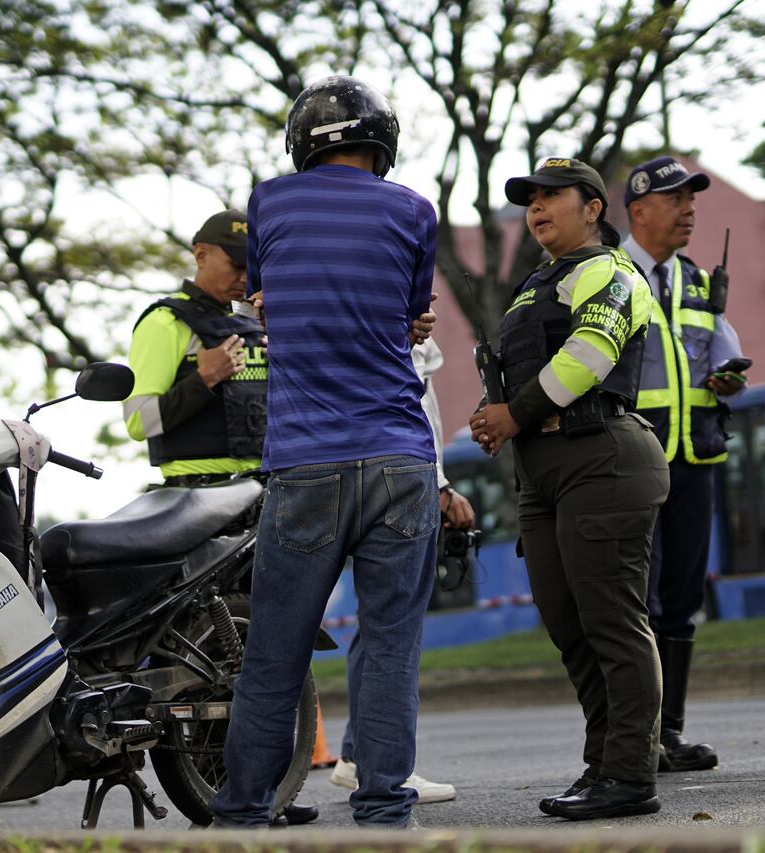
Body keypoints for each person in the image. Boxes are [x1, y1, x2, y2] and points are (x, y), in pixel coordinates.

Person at [210, 75, 440, 829]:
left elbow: (267, 300)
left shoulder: (270, 202)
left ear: (303, 143)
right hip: (401, 458)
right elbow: (411, 318)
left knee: (275, 651)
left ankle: (242, 812)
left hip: (307, 459)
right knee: (388, 646)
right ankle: (382, 807)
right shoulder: (415, 212)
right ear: (384, 144)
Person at [469, 157, 669, 820]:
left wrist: (512, 413)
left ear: (593, 207)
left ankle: (631, 773)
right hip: (543, 466)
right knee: (569, 624)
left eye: (554, 195)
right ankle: (602, 763)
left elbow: (590, 352)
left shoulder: (610, 270)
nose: (538, 206)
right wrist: (495, 412)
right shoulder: (533, 285)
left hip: (600, 454)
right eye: (530, 198)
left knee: (613, 621)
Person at [621, 156, 745, 772]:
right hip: (630, 459)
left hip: (693, 457)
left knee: (681, 598)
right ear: (639, 210)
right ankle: (634, 742)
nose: (690, 209)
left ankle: (668, 736)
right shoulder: (608, 274)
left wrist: (727, 380)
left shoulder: (697, 281)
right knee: (634, 603)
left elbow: (728, 359)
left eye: (692, 199)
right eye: (677, 199)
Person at [329, 338, 473, 804]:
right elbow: (414, 412)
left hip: (347, 475)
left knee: (376, 629)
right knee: (390, 632)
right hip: (395, 479)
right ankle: (380, 774)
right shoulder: (389, 317)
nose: (430, 296)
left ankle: (357, 757)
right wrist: (438, 484)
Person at [122, 209, 267, 487]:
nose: (245, 276)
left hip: (265, 491)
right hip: (195, 494)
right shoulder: (164, 323)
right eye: (236, 265)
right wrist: (204, 380)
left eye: (252, 266)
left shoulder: (259, 321)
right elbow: (138, 422)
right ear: (201, 255)